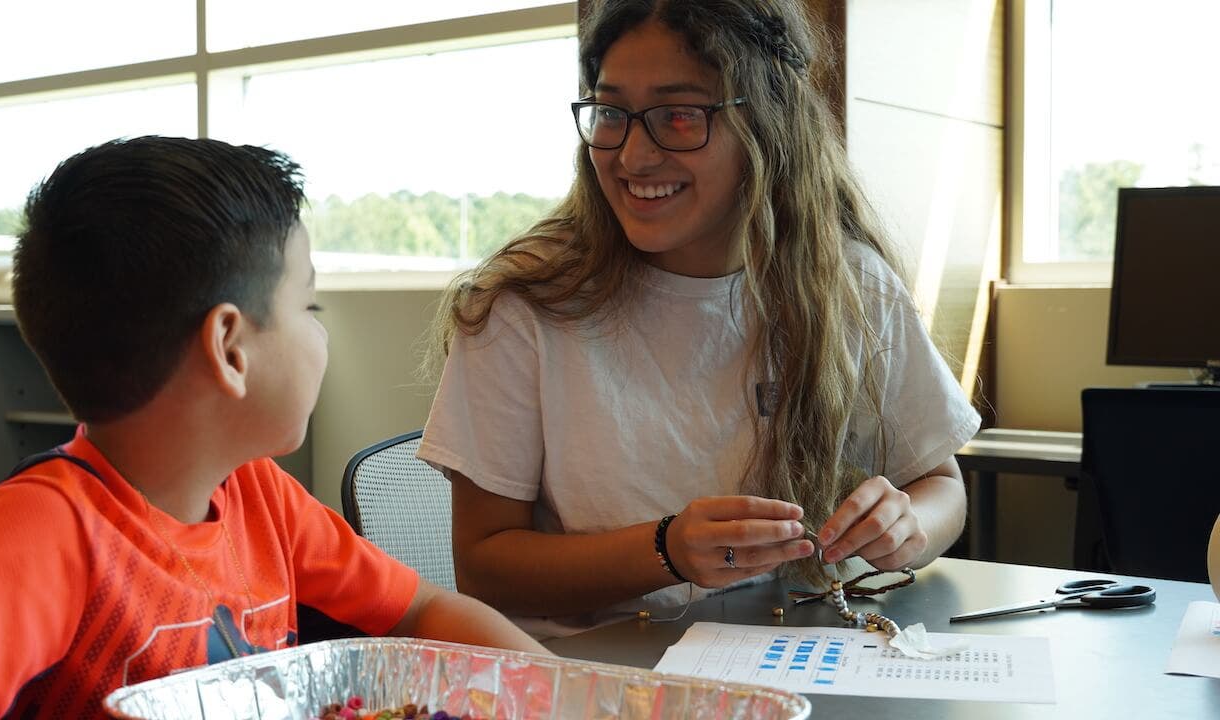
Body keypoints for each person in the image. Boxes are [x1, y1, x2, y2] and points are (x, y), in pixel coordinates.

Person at [418, 0, 981, 639]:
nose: (632, 156)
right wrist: (665, 550)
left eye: (678, 116)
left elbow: (941, 486)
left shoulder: (850, 285)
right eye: (612, 113)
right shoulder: (525, 304)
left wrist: (907, 527)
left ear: (766, 126)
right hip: (589, 676)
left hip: (794, 652)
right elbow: (484, 565)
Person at [0, 136, 546, 718]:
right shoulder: (42, 534)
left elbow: (425, 610)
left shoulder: (261, 497)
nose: (321, 333)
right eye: (309, 307)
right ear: (230, 348)